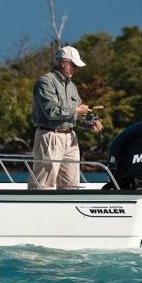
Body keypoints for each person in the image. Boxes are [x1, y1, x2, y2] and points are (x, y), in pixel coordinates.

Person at [28, 45, 102, 190]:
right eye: (74, 65)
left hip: (70, 138)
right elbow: (52, 111)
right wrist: (76, 110)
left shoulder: (72, 86)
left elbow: (76, 116)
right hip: (50, 136)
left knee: (71, 185)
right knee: (43, 184)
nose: (76, 69)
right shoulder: (45, 82)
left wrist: (90, 123)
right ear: (63, 63)